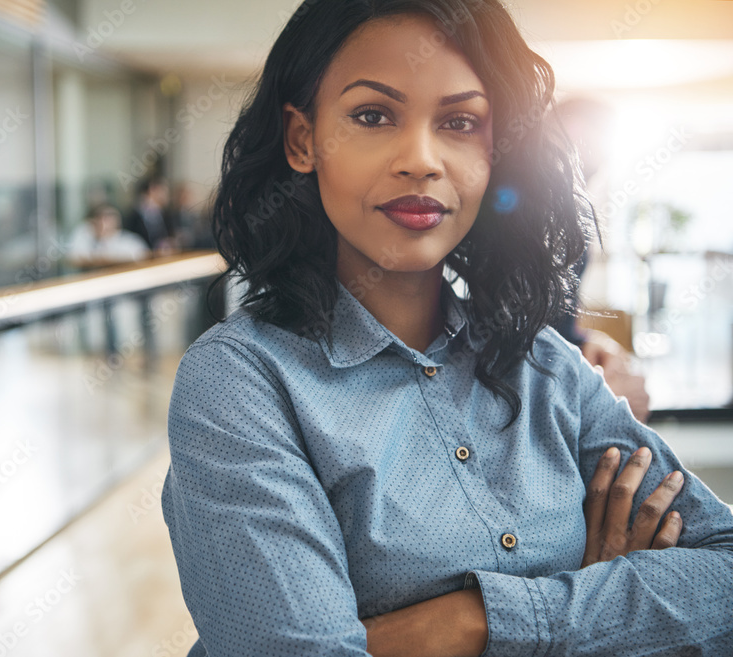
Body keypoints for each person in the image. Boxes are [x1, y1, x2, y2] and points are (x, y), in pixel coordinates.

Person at [160, 1, 733, 656]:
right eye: (373, 116)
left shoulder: (545, 364)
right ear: (302, 140)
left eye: (460, 122)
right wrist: (598, 600)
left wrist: (470, 621)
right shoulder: (239, 383)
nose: (421, 160)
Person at [552, 97, 651, 422]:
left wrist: (589, 342)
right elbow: (508, 339)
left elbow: (556, 323)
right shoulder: (519, 219)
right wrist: (595, 390)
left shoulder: (578, 217)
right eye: (579, 141)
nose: (592, 156)